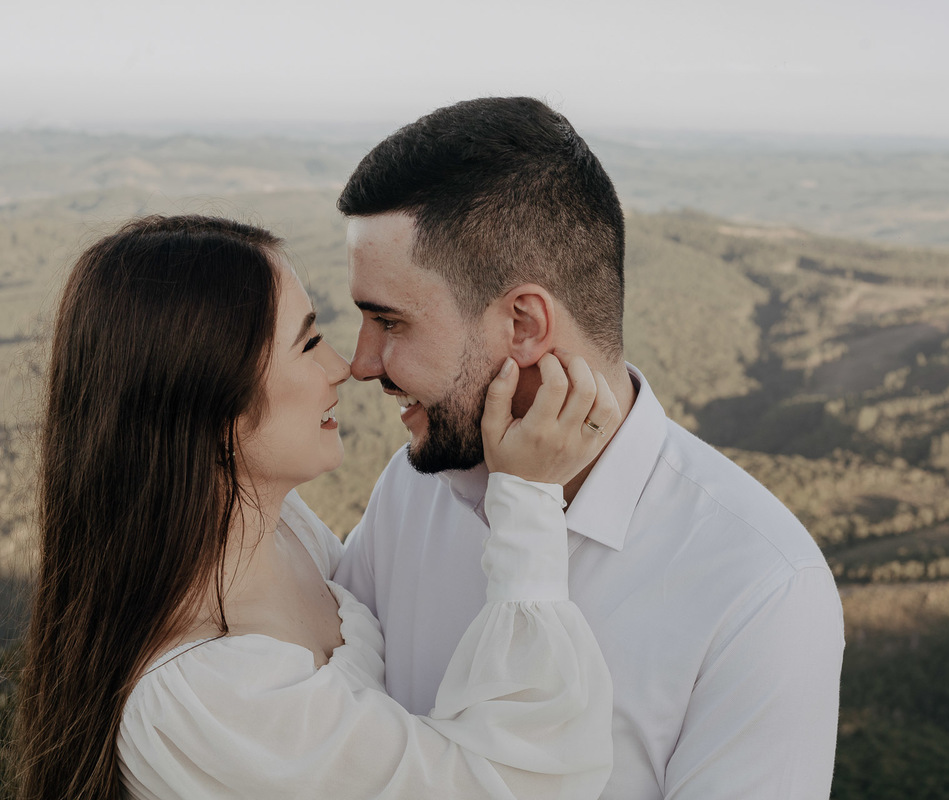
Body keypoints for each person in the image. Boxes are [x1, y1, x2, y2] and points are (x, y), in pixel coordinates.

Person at [333, 97, 846, 799]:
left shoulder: (760, 586)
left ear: (523, 324)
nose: (361, 363)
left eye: (389, 321)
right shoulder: (412, 488)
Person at [16, 215, 618, 800]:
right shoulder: (210, 693)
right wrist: (530, 500)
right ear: (209, 409)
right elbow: (519, 784)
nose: (344, 367)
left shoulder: (281, 529)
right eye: (307, 343)